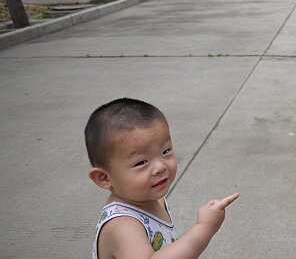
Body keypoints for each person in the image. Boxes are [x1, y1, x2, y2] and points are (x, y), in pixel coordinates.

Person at [85, 98, 239, 259]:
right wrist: (204, 228)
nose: (160, 167)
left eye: (165, 151)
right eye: (141, 162)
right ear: (103, 177)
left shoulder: (148, 196)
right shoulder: (122, 226)